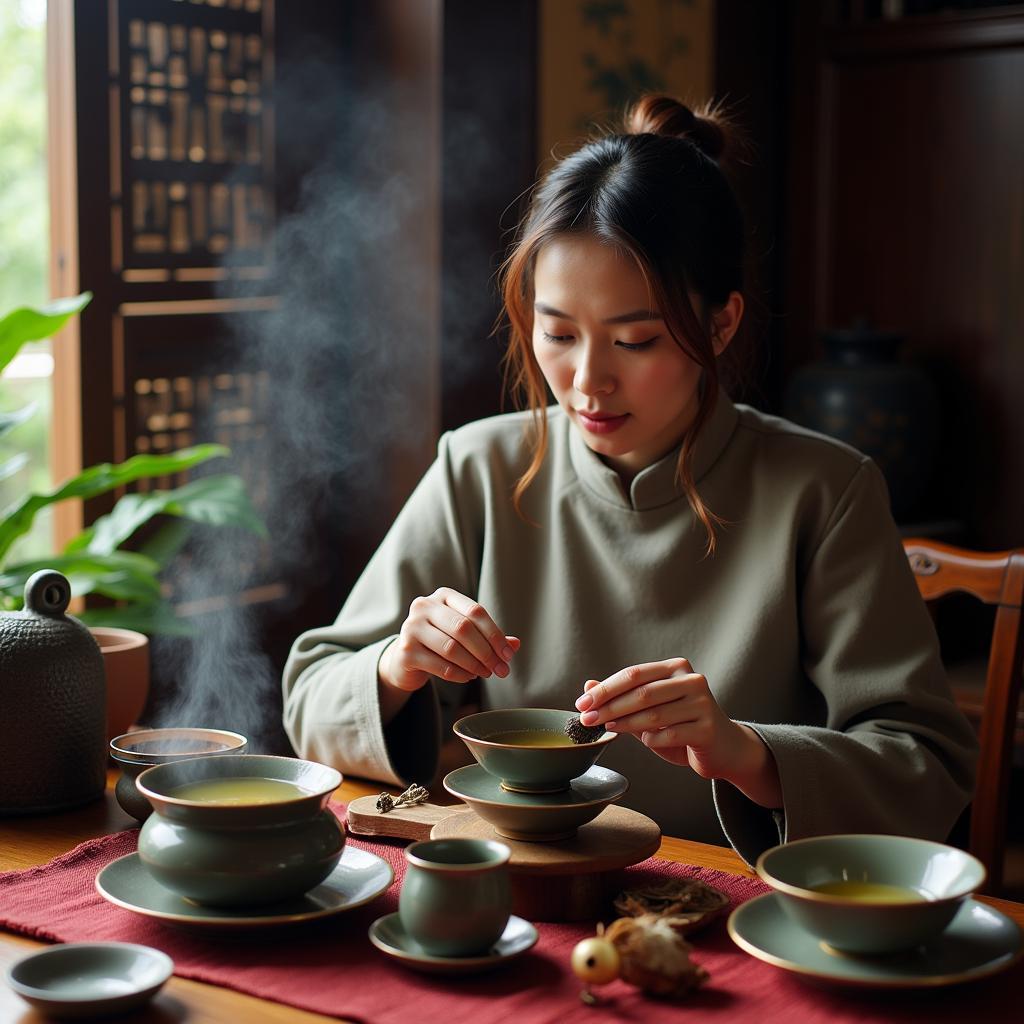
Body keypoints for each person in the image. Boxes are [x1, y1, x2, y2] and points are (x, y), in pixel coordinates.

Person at [283, 95, 976, 863]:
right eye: (558, 334)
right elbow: (311, 698)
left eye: (636, 340)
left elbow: (929, 768)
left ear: (722, 323)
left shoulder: (823, 489)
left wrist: (745, 751)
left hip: (743, 915)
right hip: (528, 901)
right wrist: (397, 664)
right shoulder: (481, 466)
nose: (587, 382)